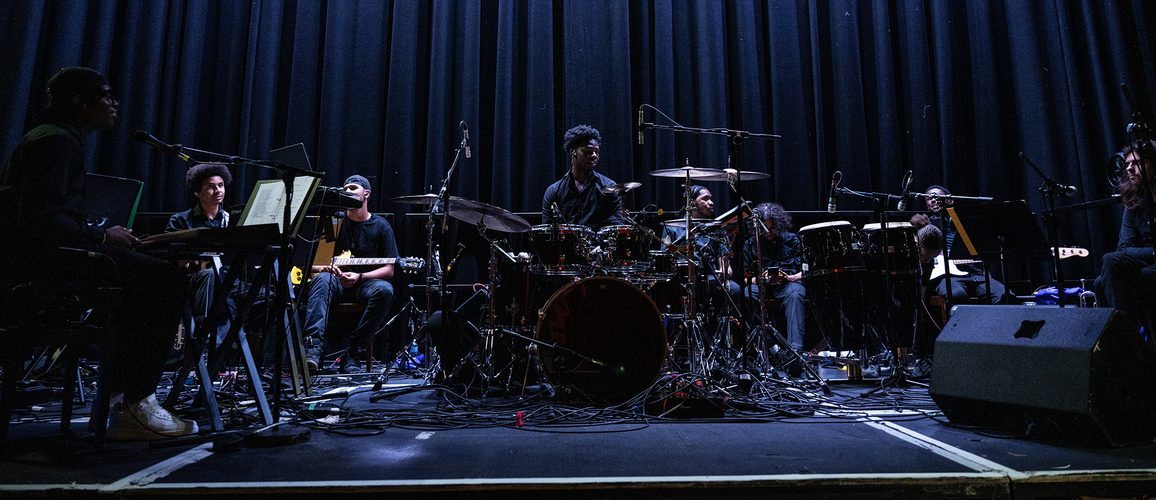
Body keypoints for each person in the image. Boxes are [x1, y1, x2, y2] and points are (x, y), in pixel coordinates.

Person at [0, 67, 196, 440]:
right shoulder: (56, 142)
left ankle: (121, 398)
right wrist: (101, 236)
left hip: (42, 258)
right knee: (164, 279)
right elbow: (44, 222)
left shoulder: (52, 137)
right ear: (79, 101)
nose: (114, 102)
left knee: (138, 284)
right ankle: (136, 404)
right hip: (42, 265)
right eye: (105, 95)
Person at [303, 174, 399, 372]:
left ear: (366, 194)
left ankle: (353, 353)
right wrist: (326, 268)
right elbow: (313, 266)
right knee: (321, 280)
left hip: (365, 283)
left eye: (353, 188)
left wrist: (361, 276)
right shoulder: (333, 222)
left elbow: (389, 269)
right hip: (335, 281)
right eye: (344, 188)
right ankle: (312, 350)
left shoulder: (381, 226)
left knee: (385, 290)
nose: (347, 191)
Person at [166, 163, 235, 346]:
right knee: (211, 277)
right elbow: (172, 256)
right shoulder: (180, 220)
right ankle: (206, 346)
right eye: (211, 187)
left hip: (225, 278)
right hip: (194, 279)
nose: (218, 190)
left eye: (220, 185)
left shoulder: (231, 220)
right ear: (197, 193)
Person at [909, 185, 1006, 304]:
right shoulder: (924, 225)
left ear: (950, 200)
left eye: (936, 196)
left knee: (1004, 295)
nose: (933, 200)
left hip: (973, 273)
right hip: (946, 276)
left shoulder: (966, 222)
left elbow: (981, 250)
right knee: (956, 295)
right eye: (929, 198)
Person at [1095, 140, 1156, 325]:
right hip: (1149, 261)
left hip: (1147, 264)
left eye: (1135, 163)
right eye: (1127, 164)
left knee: (1112, 272)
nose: (1128, 169)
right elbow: (1123, 248)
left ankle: (1126, 339)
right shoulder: (1133, 203)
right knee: (1105, 272)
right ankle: (1127, 337)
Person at [741, 202, 806, 373]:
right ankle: (766, 346)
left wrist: (790, 277)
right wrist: (759, 279)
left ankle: (795, 352)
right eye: (765, 229)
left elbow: (806, 271)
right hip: (762, 287)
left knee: (796, 293)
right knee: (746, 295)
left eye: (772, 228)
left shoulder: (792, 240)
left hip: (788, 284)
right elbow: (745, 278)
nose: (769, 233)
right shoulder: (750, 244)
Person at [660, 185, 741, 308]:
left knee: (734, 289)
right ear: (692, 203)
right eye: (705, 199)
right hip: (682, 280)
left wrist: (725, 269)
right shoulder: (673, 228)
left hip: (710, 277)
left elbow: (723, 259)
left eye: (711, 198)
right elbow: (664, 258)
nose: (711, 202)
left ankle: (720, 325)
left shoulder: (716, 228)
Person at [541, 124, 624, 229]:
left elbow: (615, 226)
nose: (594, 155)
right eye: (588, 151)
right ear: (573, 152)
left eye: (597, 152)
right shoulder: (554, 191)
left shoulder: (610, 186)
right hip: (566, 245)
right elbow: (547, 229)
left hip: (599, 244)